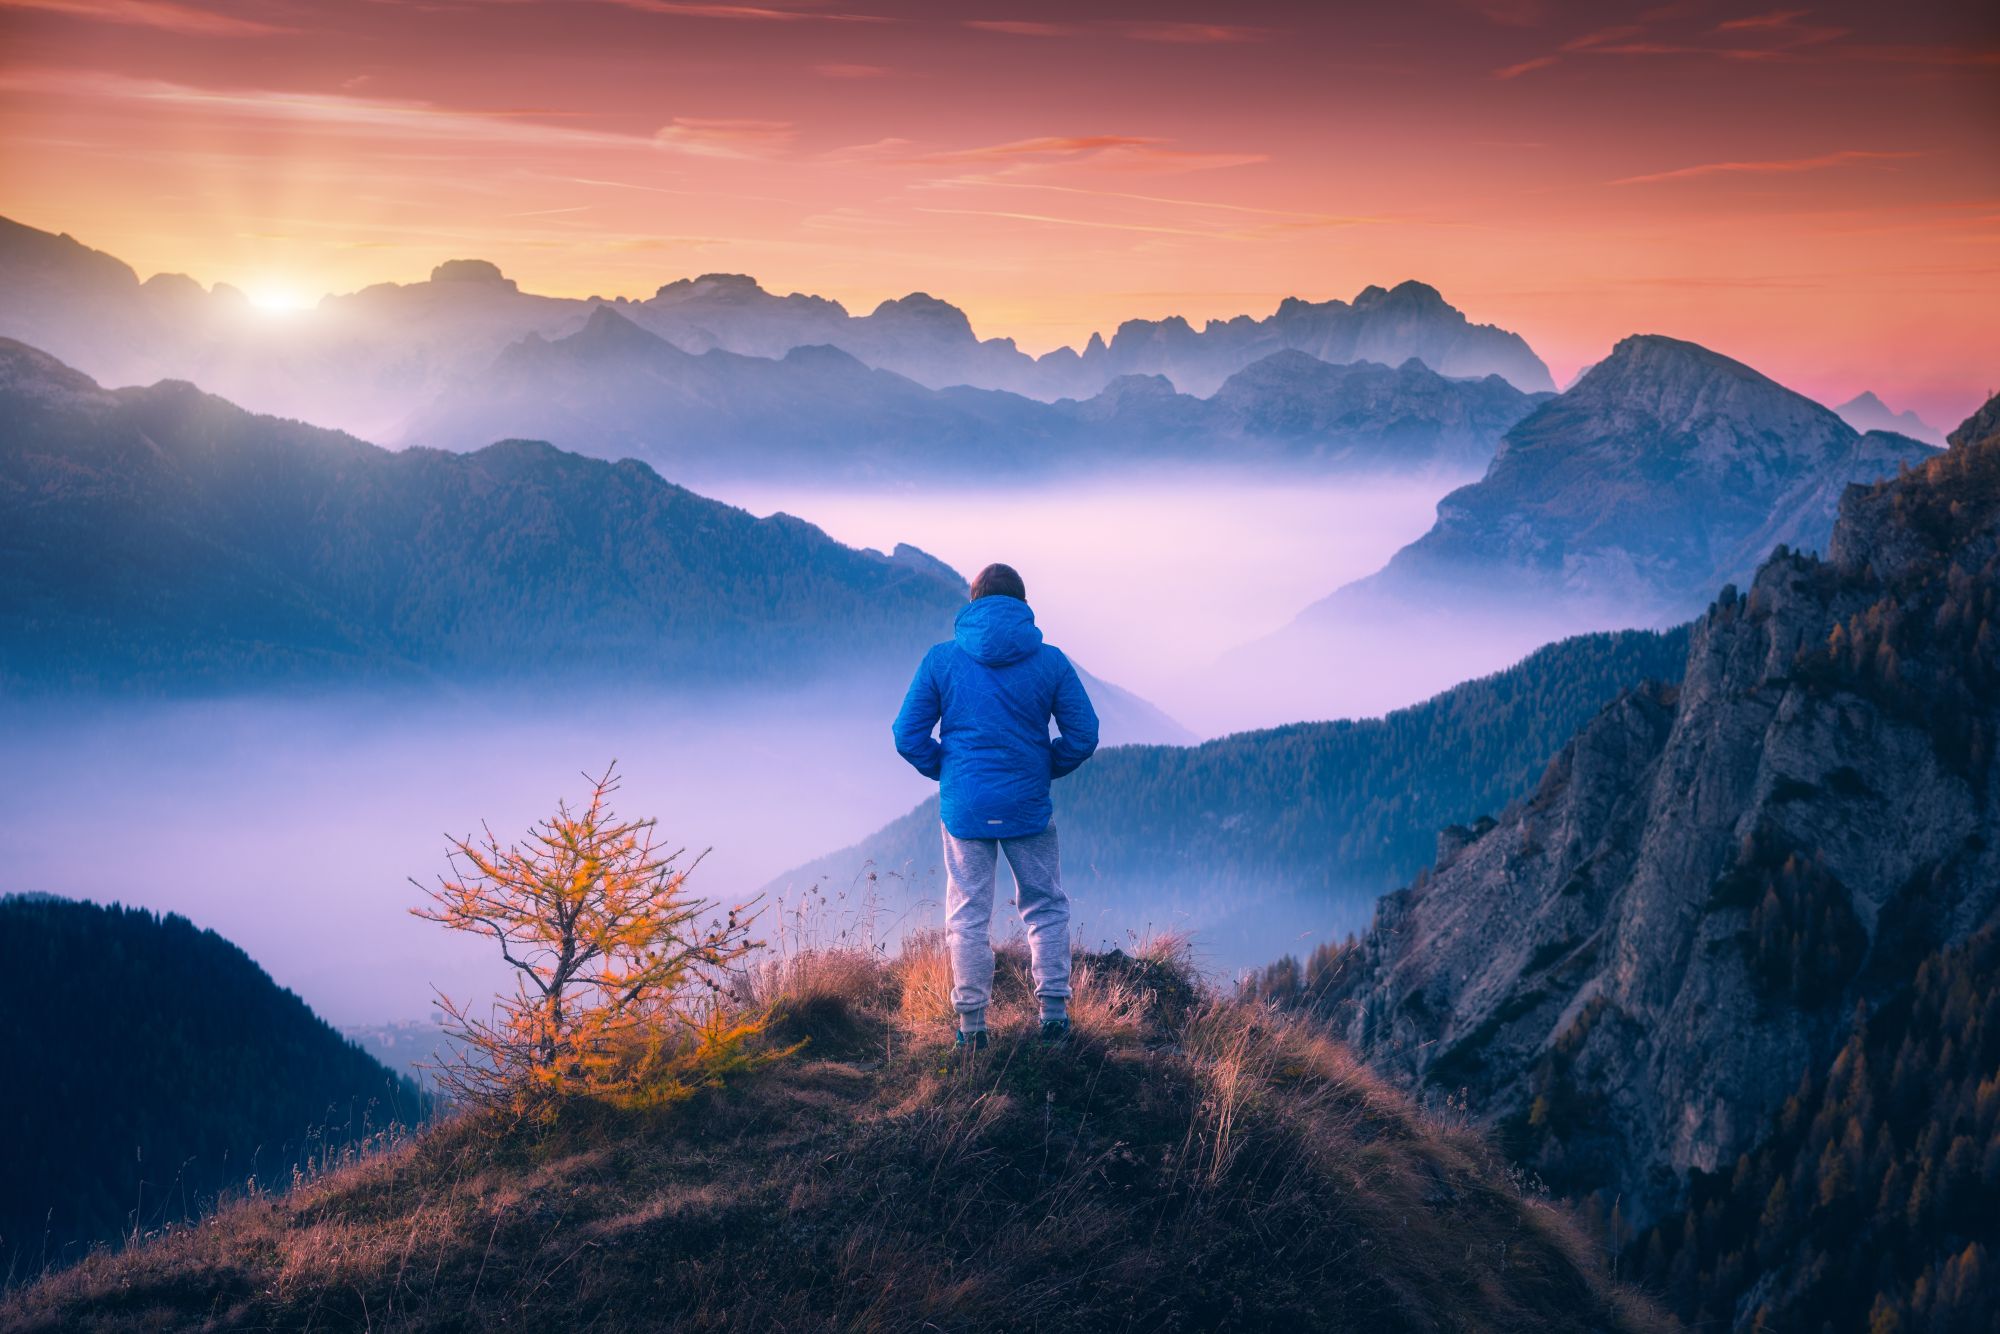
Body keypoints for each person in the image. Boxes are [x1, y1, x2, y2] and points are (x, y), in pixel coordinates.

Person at [892, 562, 1099, 1049]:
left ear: (973, 603)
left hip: (965, 806)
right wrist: (1045, 766)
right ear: (1022, 606)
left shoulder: (942, 660)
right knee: (1045, 905)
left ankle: (972, 1028)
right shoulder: (1050, 662)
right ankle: (1052, 1017)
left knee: (967, 914)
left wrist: (946, 770)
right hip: (1028, 802)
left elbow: (907, 735)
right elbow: (1084, 735)